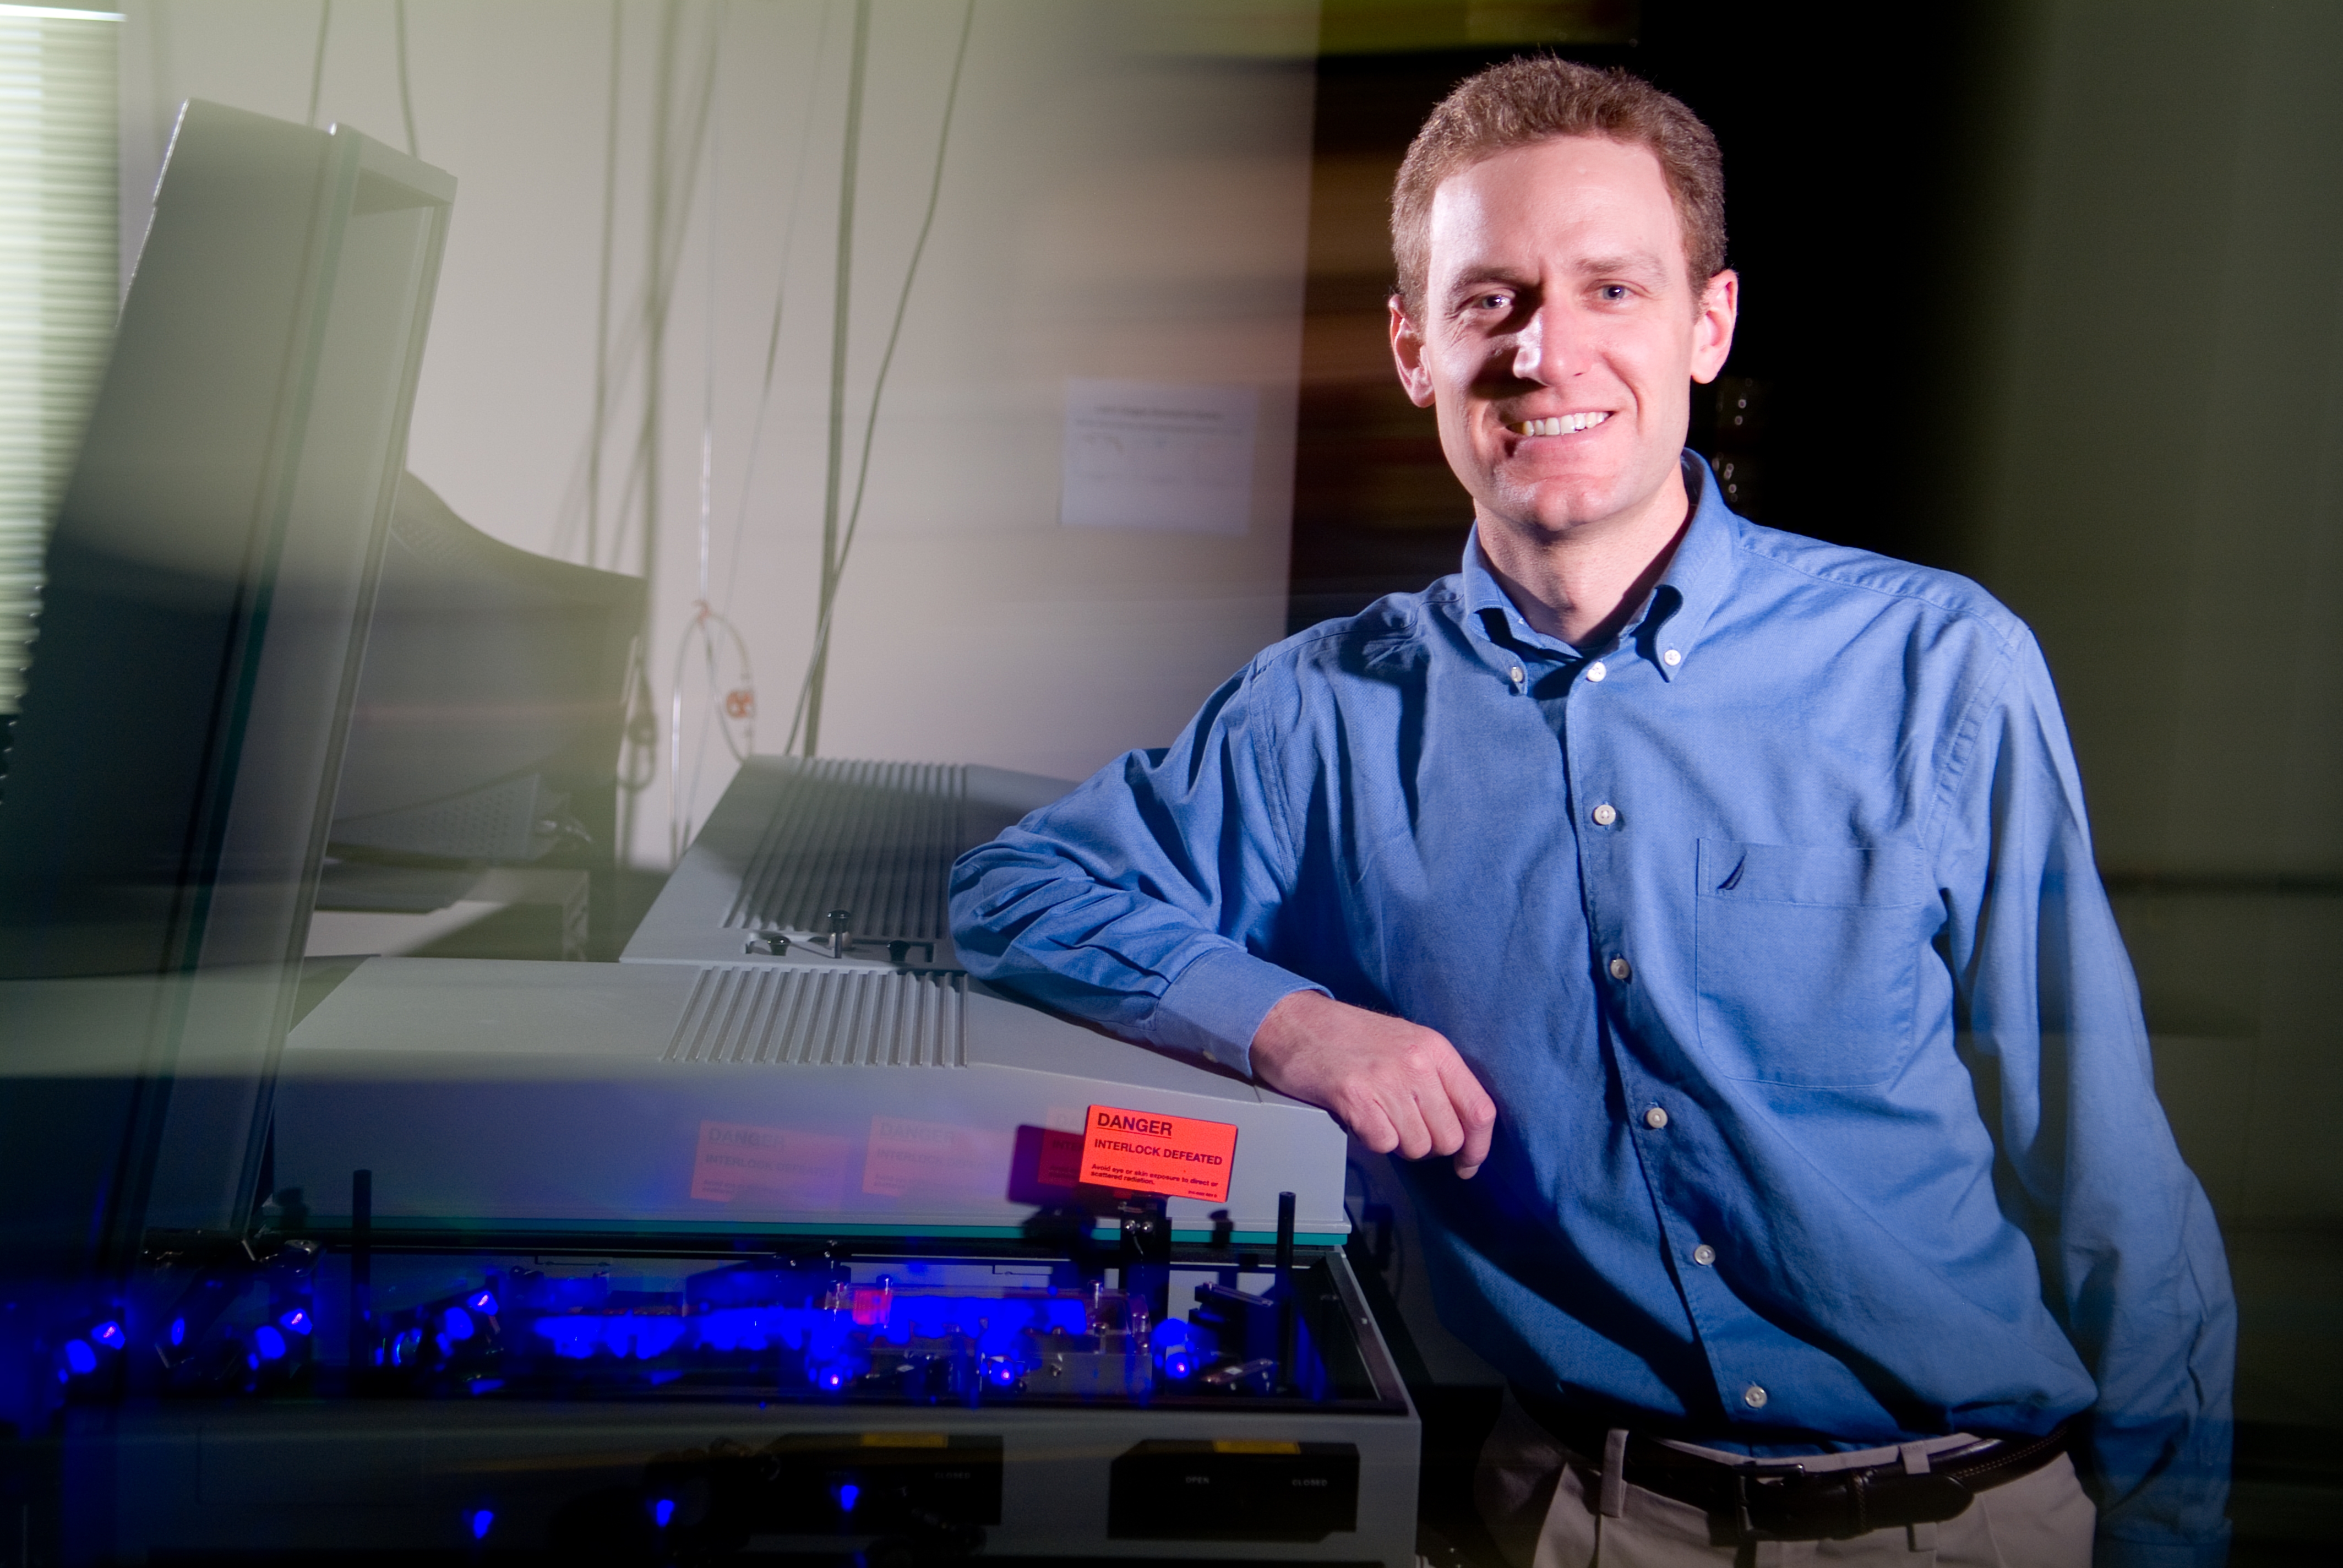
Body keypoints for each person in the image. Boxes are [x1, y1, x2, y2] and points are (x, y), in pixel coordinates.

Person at [951, 57, 2231, 1568]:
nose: (1545, 353)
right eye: (1489, 300)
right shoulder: (1320, 717)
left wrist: (2171, 1535)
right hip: (1572, 1523)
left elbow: (2107, 1175)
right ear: (1416, 349)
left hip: (1963, 1522)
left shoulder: (1939, 666)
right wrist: (1296, 1026)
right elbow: (1015, 892)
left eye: (1612, 289)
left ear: (1709, 323)